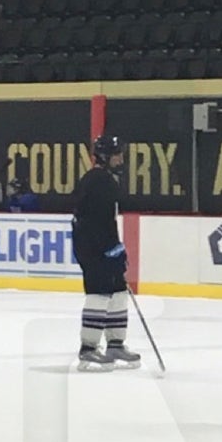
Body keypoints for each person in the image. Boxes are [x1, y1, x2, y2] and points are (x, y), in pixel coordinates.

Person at [69, 133, 140, 372]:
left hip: (101, 247)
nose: (120, 160)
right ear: (105, 157)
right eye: (117, 155)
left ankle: (115, 343)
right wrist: (110, 249)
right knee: (99, 295)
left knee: (118, 292)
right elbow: (94, 222)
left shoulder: (102, 179)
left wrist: (115, 249)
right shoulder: (99, 181)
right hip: (94, 249)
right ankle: (88, 348)